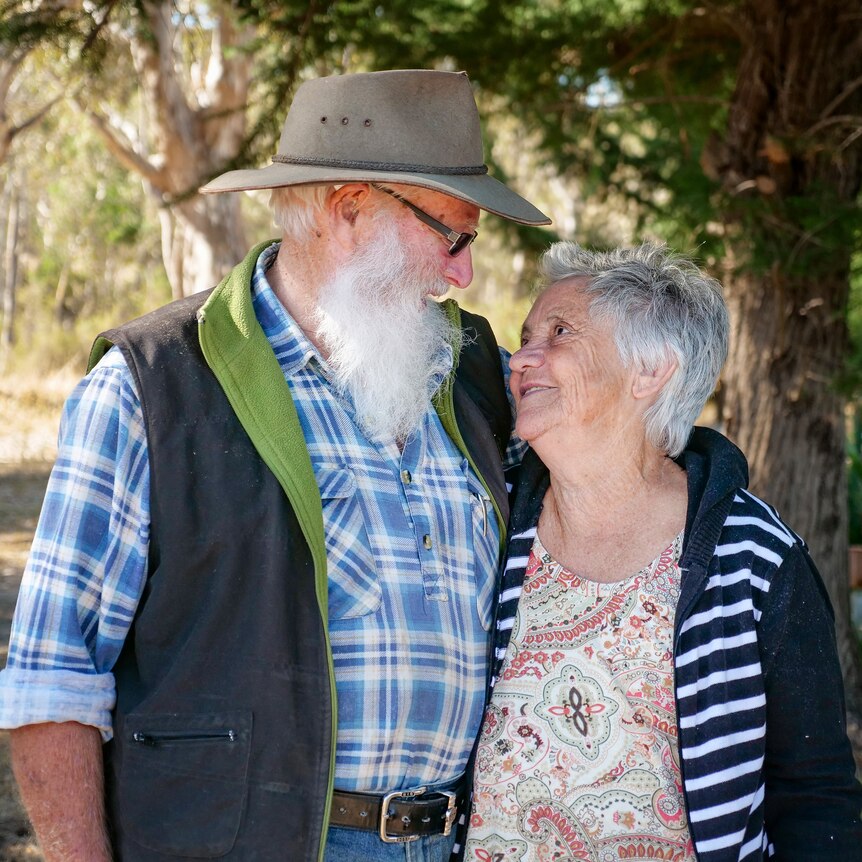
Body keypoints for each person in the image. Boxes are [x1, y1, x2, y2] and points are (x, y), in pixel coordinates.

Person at [0, 69, 551, 861]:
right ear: (349, 211)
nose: (462, 273)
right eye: (452, 235)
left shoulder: (472, 376)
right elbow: (54, 684)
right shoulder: (147, 387)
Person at [464, 242, 862, 862]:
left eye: (560, 332)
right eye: (526, 334)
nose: (522, 359)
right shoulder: (488, 521)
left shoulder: (756, 559)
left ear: (649, 371)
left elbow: (815, 794)